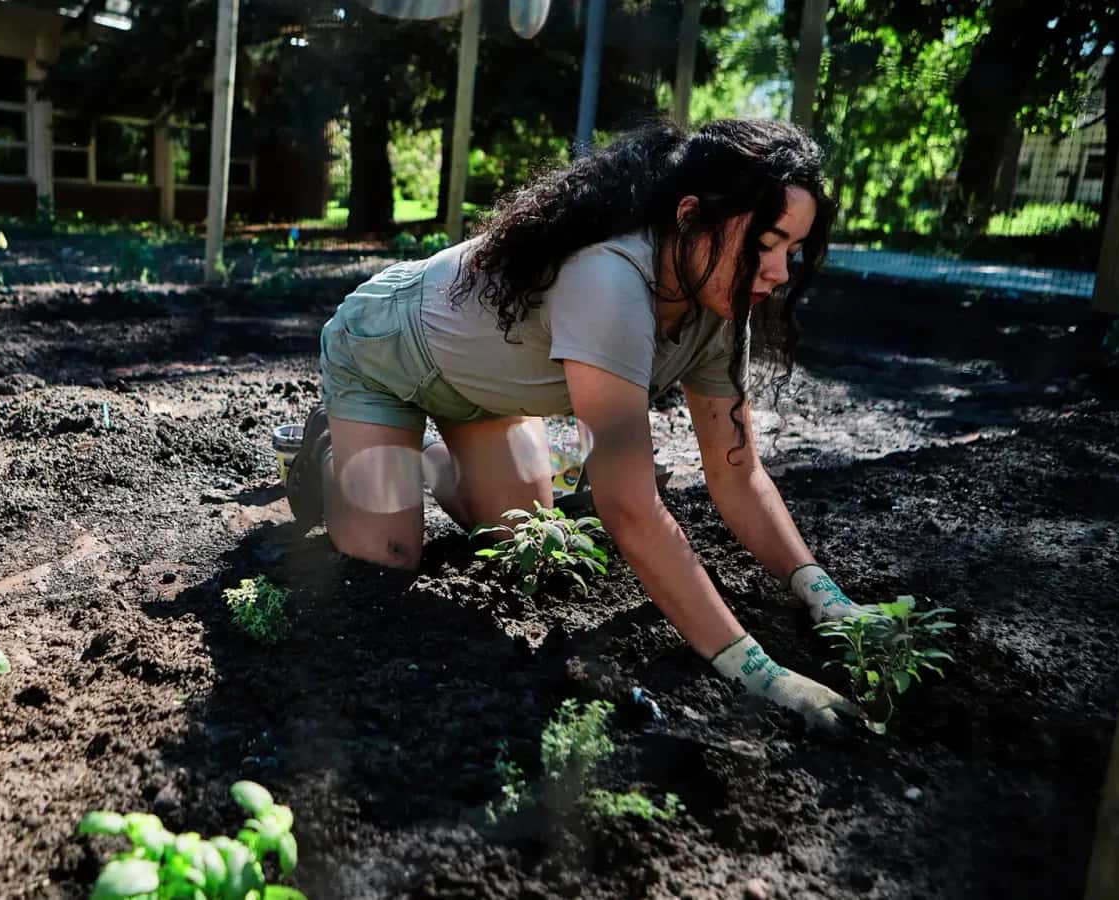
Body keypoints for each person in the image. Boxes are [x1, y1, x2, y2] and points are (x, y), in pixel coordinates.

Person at [285, 118, 874, 729]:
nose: (778, 271)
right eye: (766, 242)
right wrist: (759, 672)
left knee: (524, 546)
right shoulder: (611, 280)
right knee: (389, 559)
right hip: (383, 353)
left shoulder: (719, 306)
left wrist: (824, 596)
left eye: (792, 252)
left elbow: (738, 473)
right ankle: (331, 450)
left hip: (485, 397)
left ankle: (424, 456)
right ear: (691, 216)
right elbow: (630, 508)